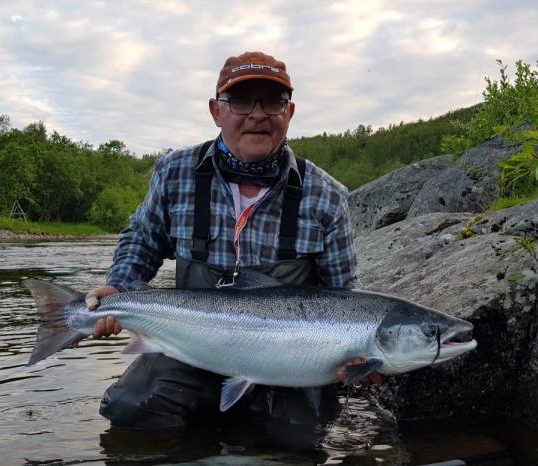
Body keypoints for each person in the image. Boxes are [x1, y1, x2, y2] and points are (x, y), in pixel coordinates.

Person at [84, 51, 375, 431]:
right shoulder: (175, 173)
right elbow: (142, 239)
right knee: (129, 408)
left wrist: (360, 356)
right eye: (240, 100)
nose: (257, 114)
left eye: (272, 101)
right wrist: (119, 284)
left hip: (288, 357)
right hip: (193, 346)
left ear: (289, 113)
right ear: (215, 111)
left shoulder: (326, 194)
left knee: (300, 439)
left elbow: (344, 294)